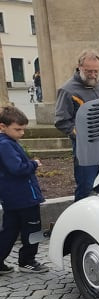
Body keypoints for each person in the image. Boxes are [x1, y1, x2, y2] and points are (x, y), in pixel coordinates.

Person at [54, 49, 99, 202]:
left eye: (96, 71)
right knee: (86, 187)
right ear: (79, 67)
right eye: (89, 71)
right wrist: (80, 136)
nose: (93, 74)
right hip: (84, 150)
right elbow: (61, 121)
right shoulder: (67, 90)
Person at [0, 106, 48, 274]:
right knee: (33, 229)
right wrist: (34, 164)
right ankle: (28, 260)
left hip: (12, 198)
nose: (21, 133)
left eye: (23, 129)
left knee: (9, 230)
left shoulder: (8, 142)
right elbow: (18, 169)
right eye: (17, 129)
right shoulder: (5, 144)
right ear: (2, 127)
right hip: (24, 198)